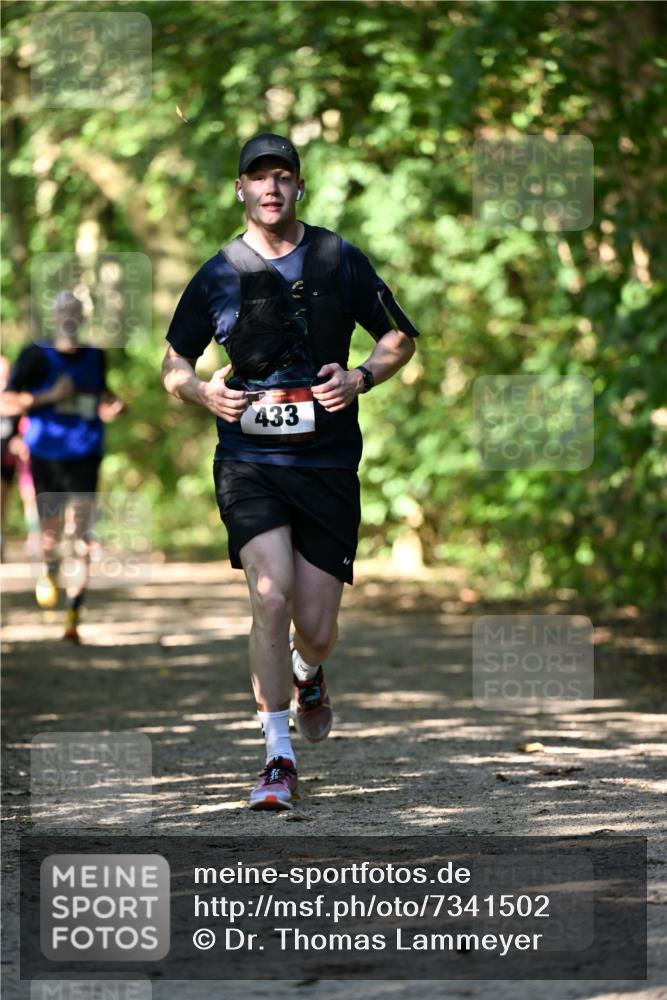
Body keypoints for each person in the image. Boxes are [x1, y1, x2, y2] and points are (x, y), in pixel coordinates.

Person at [162, 132, 419, 810]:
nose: (270, 187)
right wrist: (202, 393)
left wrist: (361, 375)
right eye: (258, 177)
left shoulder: (337, 257)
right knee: (269, 598)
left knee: (318, 627)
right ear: (240, 190)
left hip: (328, 462)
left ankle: (311, 671)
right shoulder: (217, 272)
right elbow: (172, 367)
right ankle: (276, 755)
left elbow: (398, 337)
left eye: (282, 176)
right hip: (248, 462)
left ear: (298, 187)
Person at [3, 290, 125, 642]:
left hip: (86, 454)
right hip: (46, 456)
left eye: (75, 312)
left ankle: (73, 615)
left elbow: (102, 397)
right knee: (51, 534)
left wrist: (113, 408)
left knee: (82, 533)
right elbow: (6, 402)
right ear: (53, 317)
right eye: (62, 312)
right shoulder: (33, 355)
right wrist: (49, 397)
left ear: (83, 318)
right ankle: (50, 567)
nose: (69, 318)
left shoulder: (96, 356)